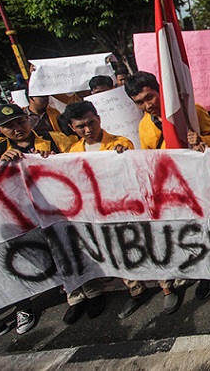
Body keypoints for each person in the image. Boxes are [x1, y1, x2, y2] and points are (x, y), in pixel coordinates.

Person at [120, 71, 210, 317]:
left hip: (200, 184)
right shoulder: (144, 126)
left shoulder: (190, 109)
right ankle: (199, 271)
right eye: (140, 102)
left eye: (149, 97)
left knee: (208, 228)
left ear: (159, 91)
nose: (147, 105)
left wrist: (201, 140)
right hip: (174, 190)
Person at [0, 103, 73, 335]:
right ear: (0, 130)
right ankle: (24, 306)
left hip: (56, 207)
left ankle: (75, 291)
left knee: (64, 248)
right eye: (9, 126)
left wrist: (54, 159)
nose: (17, 128)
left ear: (29, 119)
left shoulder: (53, 138)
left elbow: (77, 161)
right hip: (21, 216)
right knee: (25, 258)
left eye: (20, 121)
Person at [58, 101, 133, 324]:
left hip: (116, 209)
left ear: (99, 119)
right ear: (72, 128)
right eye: (81, 126)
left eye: (92, 123)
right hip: (88, 213)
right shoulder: (71, 152)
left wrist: (125, 157)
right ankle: (95, 293)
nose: (88, 130)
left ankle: (136, 290)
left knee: (123, 251)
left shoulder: (120, 143)